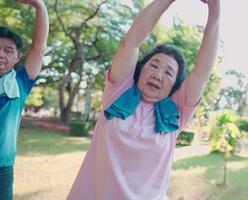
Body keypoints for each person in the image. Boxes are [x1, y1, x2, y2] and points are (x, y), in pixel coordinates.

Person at [67, 0, 220, 199]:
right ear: (140, 69)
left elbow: (201, 73)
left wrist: (215, 8)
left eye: (168, 72)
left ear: (174, 87)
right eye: (154, 65)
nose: (158, 74)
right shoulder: (119, 91)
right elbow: (130, 43)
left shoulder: (176, 112)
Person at [0, 0, 49, 199]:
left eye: (8, 50)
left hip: (2, 167)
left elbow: (38, 47)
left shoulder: (20, 82)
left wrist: (39, 5)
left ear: (18, 56)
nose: (0, 55)